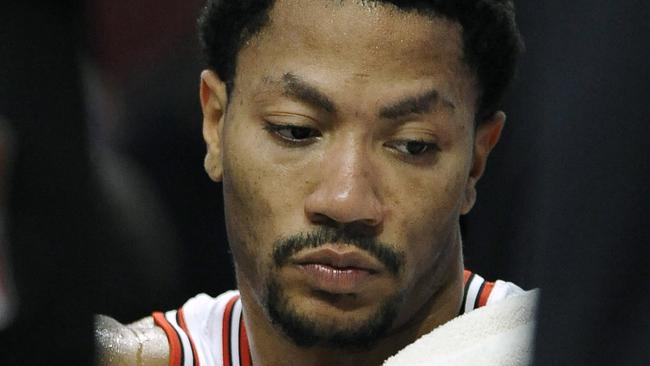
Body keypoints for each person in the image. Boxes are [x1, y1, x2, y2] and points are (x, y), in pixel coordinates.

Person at [96, 1, 535, 365]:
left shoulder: (557, 347)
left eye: (412, 145)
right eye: (296, 130)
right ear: (215, 124)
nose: (346, 200)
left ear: (477, 161)